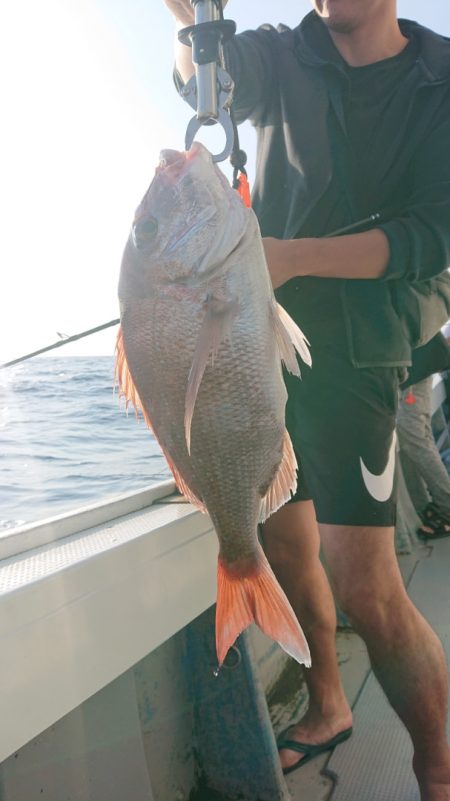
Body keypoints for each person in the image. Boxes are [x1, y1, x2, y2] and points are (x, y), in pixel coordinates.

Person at [163, 1, 450, 798]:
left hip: (360, 348)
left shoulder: (441, 80)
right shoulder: (282, 53)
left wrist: (288, 258)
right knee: (288, 547)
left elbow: (434, 232)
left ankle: (436, 763)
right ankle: (328, 700)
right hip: (257, 343)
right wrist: (192, 23)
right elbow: (208, 81)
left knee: (367, 584)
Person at [397, 331, 450, 539]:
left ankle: (446, 504)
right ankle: (435, 502)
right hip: (415, 366)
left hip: (413, 370)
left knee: (415, 440)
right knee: (420, 438)